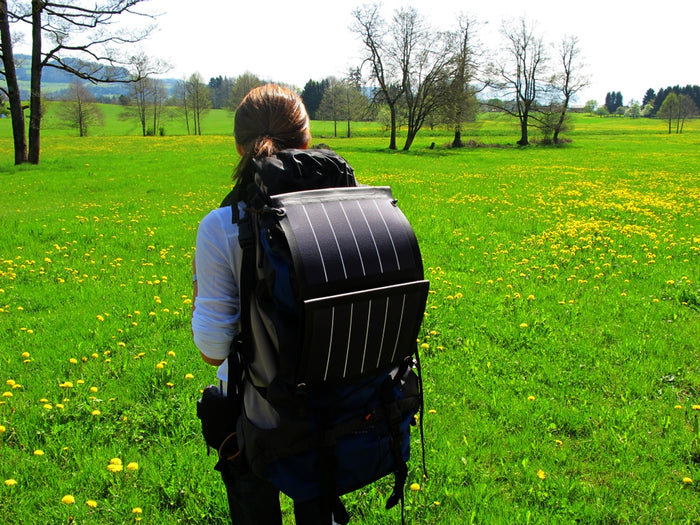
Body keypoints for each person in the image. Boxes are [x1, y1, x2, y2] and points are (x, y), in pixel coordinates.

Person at [191, 84, 350, 525]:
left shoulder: (222, 226)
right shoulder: (348, 211)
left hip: (257, 411)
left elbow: (213, 351)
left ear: (239, 146)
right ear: (306, 139)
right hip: (341, 398)